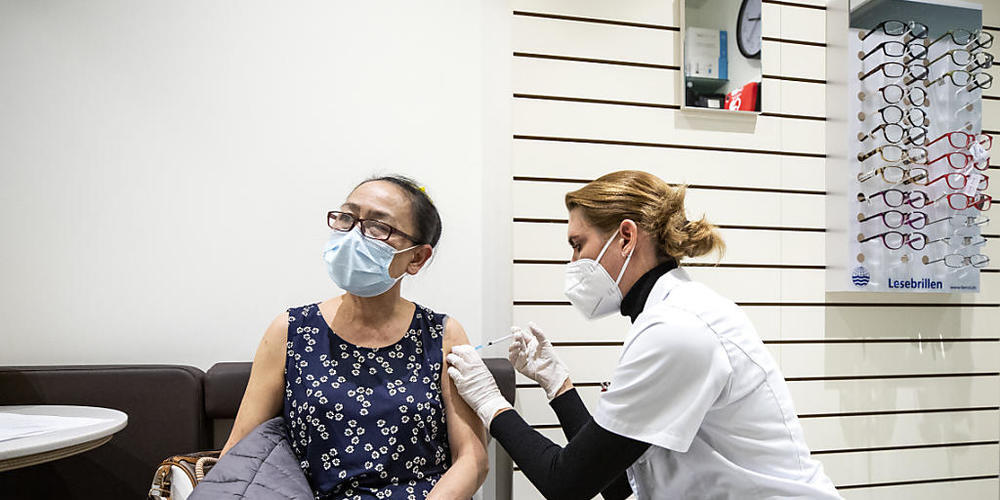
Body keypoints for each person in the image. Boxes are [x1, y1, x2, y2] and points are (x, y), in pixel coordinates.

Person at [446, 170, 840, 499]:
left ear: (626, 237)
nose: (573, 262)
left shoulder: (679, 329)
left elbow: (566, 484)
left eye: (577, 244)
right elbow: (617, 483)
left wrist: (491, 404)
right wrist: (558, 384)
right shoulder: (664, 317)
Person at [222, 175, 488, 499]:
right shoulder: (290, 331)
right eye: (347, 218)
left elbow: (472, 459)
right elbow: (238, 456)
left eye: (378, 226)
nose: (354, 236)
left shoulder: (442, 335)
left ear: (416, 257)